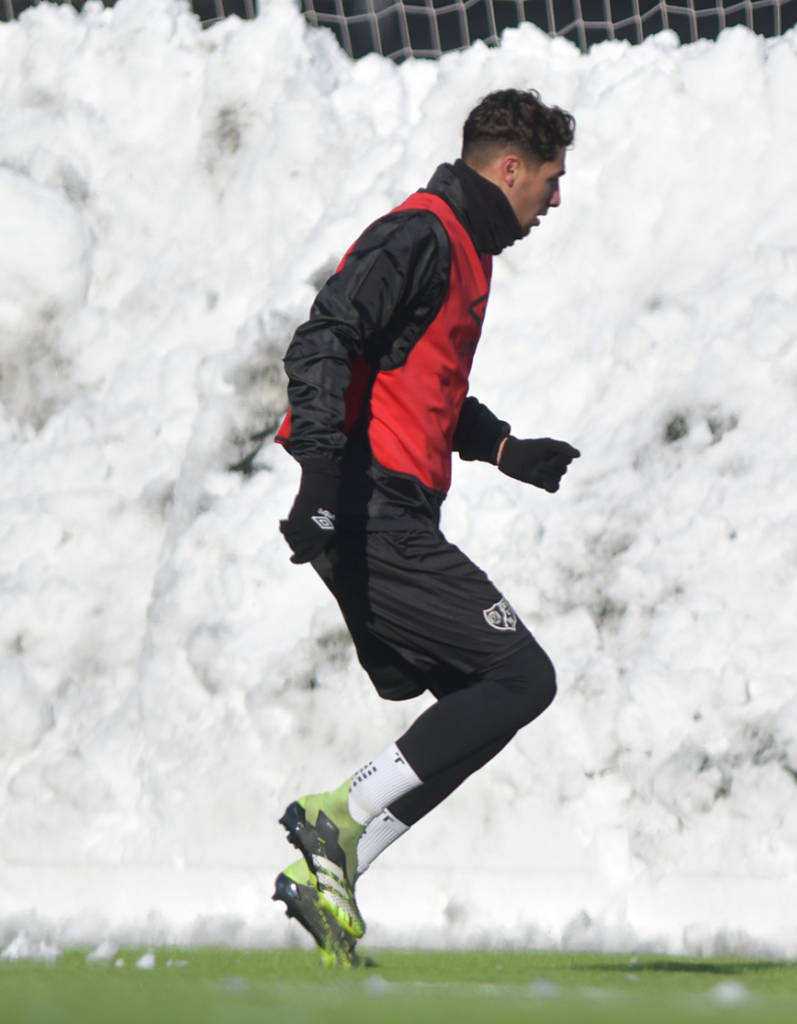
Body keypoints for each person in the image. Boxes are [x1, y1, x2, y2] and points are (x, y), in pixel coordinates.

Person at [269, 89, 580, 967]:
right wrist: (325, 481)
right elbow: (325, 340)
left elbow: (420, 378)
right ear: (509, 169)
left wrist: (504, 448)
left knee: (479, 706)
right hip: (369, 508)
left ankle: (337, 869)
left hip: (386, 506)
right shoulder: (422, 233)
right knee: (522, 676)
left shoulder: (465, 249)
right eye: (550, 181)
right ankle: (339, 816)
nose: (554, 201)